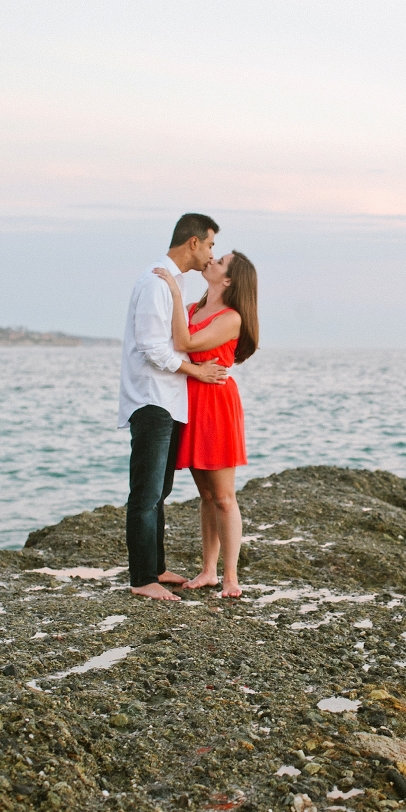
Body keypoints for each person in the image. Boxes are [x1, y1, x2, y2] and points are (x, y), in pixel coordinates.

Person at [118, 213, 228, 601]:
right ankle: (141, 579)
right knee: (146, 492)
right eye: (211, 244)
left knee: (160, 489)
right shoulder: (155, 282)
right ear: (194, 242)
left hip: (169, 400)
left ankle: (156, 568)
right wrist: (196, 371)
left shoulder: (173, 284)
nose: (212, 253)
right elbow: (152, 348)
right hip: (152, 399)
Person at [153, 250, 258, 598]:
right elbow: (168, 347)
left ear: (228, 280)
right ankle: (208, 571)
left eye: (220, 261)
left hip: (216, 403)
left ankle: (231, 576)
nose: (211, 261)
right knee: (206, 495)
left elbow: (184, 343)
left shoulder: (231, 318)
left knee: (225, 497)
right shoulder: (194, 311)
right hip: (191, 401)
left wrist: (175, 291)